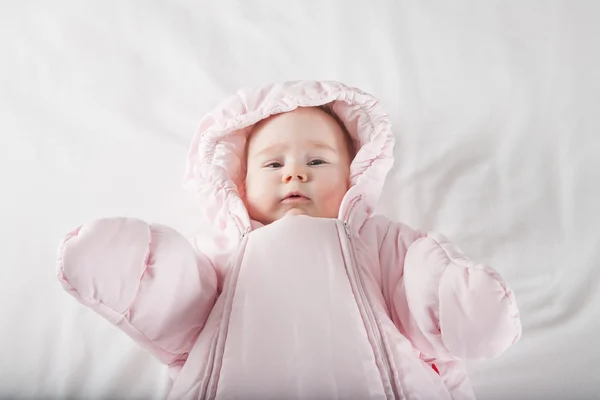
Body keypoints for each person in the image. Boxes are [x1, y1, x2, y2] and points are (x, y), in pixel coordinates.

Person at [57, 80, 521, 400]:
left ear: (355, 178)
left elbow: (419, 288)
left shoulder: (377, 242)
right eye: (273, 164)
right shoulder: (224, 255)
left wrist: (455, 298)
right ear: (237, 184)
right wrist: (137, 270)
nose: (294, 172)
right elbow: (179, 310)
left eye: (316, 163)